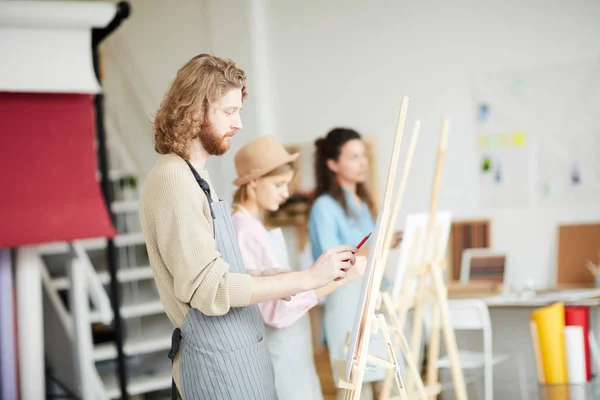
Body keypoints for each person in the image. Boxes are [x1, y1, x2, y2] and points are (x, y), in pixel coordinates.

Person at [138, 55, 359, 400]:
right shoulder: (173, 179)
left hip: (236, 362)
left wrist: (262, 274)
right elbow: (209, 291)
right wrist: (309, 278)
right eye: (229, 112)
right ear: (196, 110)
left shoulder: (195, 176)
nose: (239, 123)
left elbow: (208, 270)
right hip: (218, 370)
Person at [229, 135, 368, 400]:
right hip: (279, 346)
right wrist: (338, 279)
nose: (286, 193)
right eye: (279, 184)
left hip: (293, 347)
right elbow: (277, 309)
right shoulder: (244, 228)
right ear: (254, 181)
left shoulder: (254, 225)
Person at [308, 128, 402, 400]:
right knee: (351, 388)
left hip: (371, 305)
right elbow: (331, 262)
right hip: (344, 306)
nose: (363, 162)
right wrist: (378, 246)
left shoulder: (363, 203)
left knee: (378, 382)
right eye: (354, 156)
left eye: (364, 155)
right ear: (333, 164)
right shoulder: (323, 207)